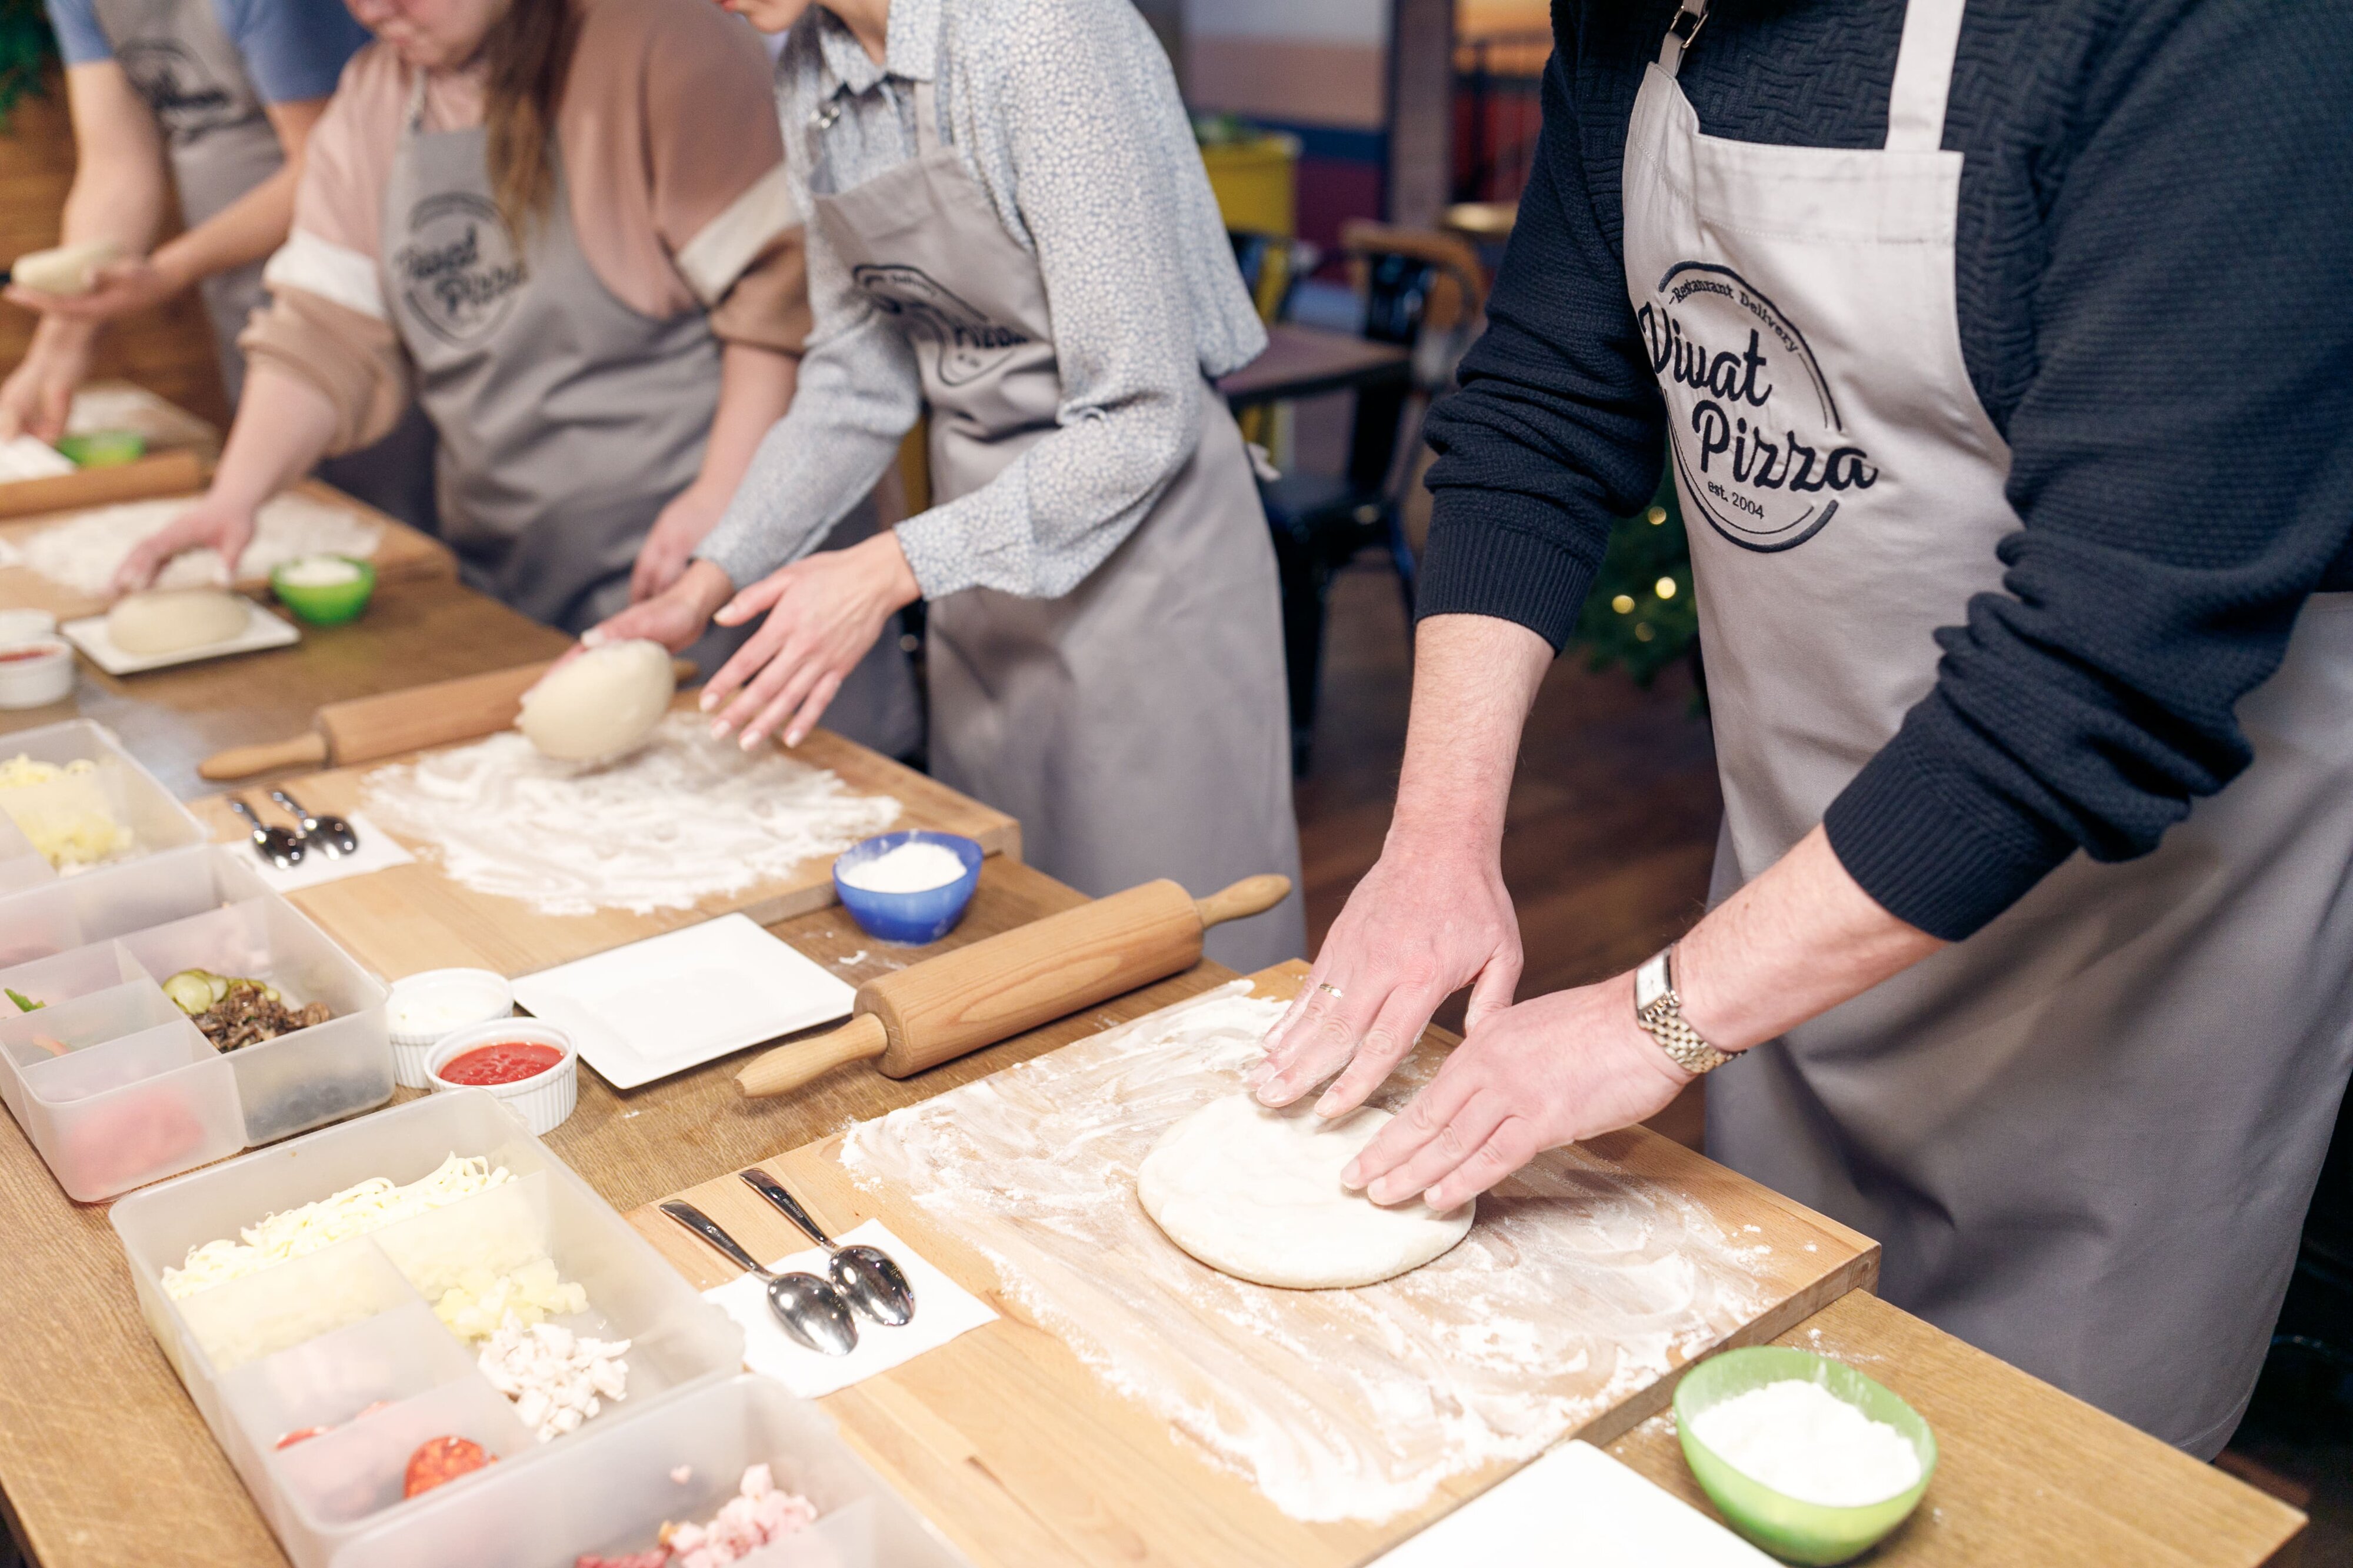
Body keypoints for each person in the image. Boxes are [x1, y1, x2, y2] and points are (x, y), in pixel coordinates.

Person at [1255, 0, 2353, 1459]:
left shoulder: (2221, 34)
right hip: (1788, 920)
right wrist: (1436, 841)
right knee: (1773, 1409)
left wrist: (1659, 1011)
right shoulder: (1632, 18)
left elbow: (2105, 663)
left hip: (2132, 959)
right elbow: (1534, 418)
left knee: (2039, 1484)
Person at [598, 0, 1302, 969]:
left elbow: (1143, 412)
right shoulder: (813, 71)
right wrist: (710, 579)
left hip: (1153, 592)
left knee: (1179, 975)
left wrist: (893, 567)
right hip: (978, 587)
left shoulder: (1039, 32)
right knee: (1020, 956)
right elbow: (856, 375)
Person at [109, 0, 916, 748]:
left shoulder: (657, 40)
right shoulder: (377, 96)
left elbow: (779, 300)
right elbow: (322, 332)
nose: (371, 10)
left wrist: (722, 498)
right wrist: (234, 497)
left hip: (717, 567)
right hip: (519, 568)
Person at [2, 0, 436, 524]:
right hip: (236, 287)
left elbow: (330, 165)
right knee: (286, 508)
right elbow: (116, 168)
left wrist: (169, 271)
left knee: (377, 516)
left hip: (352, 294)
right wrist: (56, 354)